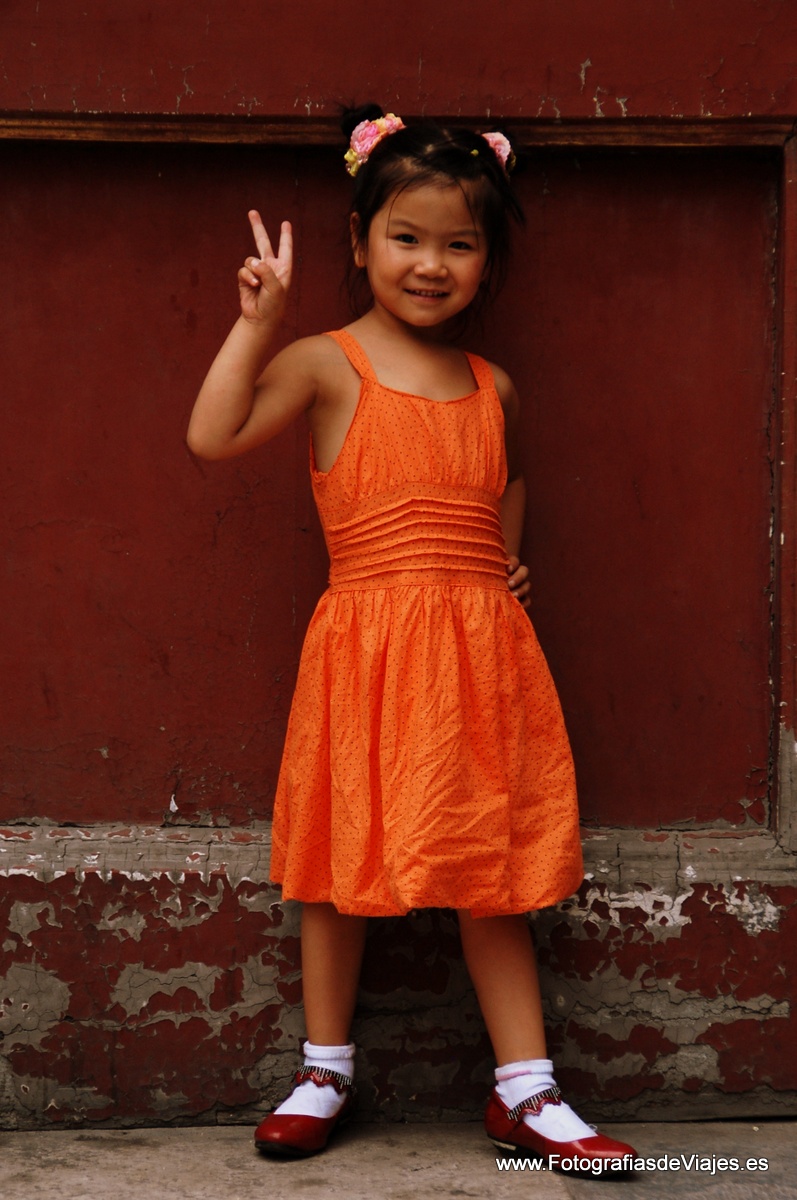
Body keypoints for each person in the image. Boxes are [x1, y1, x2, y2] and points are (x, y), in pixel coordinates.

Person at [188, 105, 637, 1177]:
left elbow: (508, 479)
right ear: (358, 241)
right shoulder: (324, 362)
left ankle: (524, 1092)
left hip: (479, 660)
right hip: (368, 651)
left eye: (458, 242)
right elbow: (212, 437)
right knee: (340, 868)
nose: (429, 264)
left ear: (487, 262)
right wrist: (256, 322)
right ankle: (324, 1068)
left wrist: (500, 563)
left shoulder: (495, 387)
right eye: (405, 236)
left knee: (492, 870)